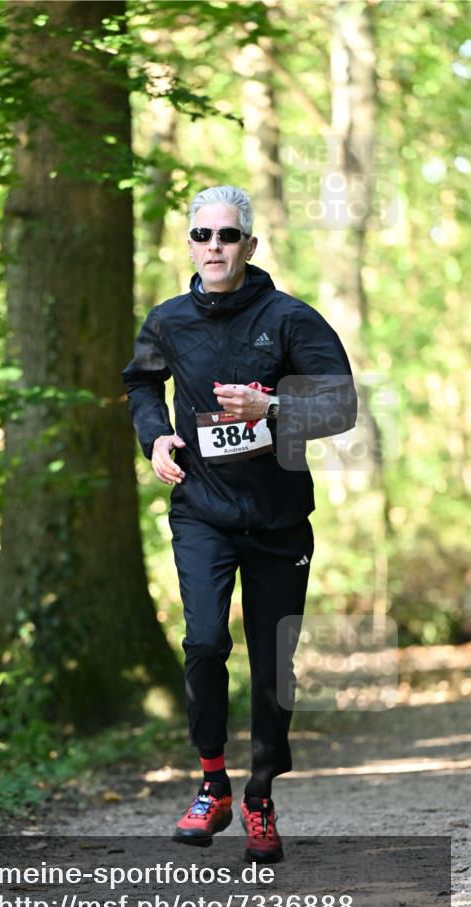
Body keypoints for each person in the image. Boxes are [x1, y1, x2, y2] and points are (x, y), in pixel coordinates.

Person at [122, 185, 357, 862]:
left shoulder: (290, 319)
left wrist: (272, 406)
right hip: (202, 510)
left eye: (227, 235)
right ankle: (211, 784)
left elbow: (340, 404)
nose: (214, 246)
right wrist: (155, 437)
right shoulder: (168, 321)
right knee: (203, 643)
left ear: (249, 245)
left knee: (273, 662)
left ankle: (259, 794)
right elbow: (141, 382)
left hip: (278, 519)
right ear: (189, 243)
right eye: (202, 235)